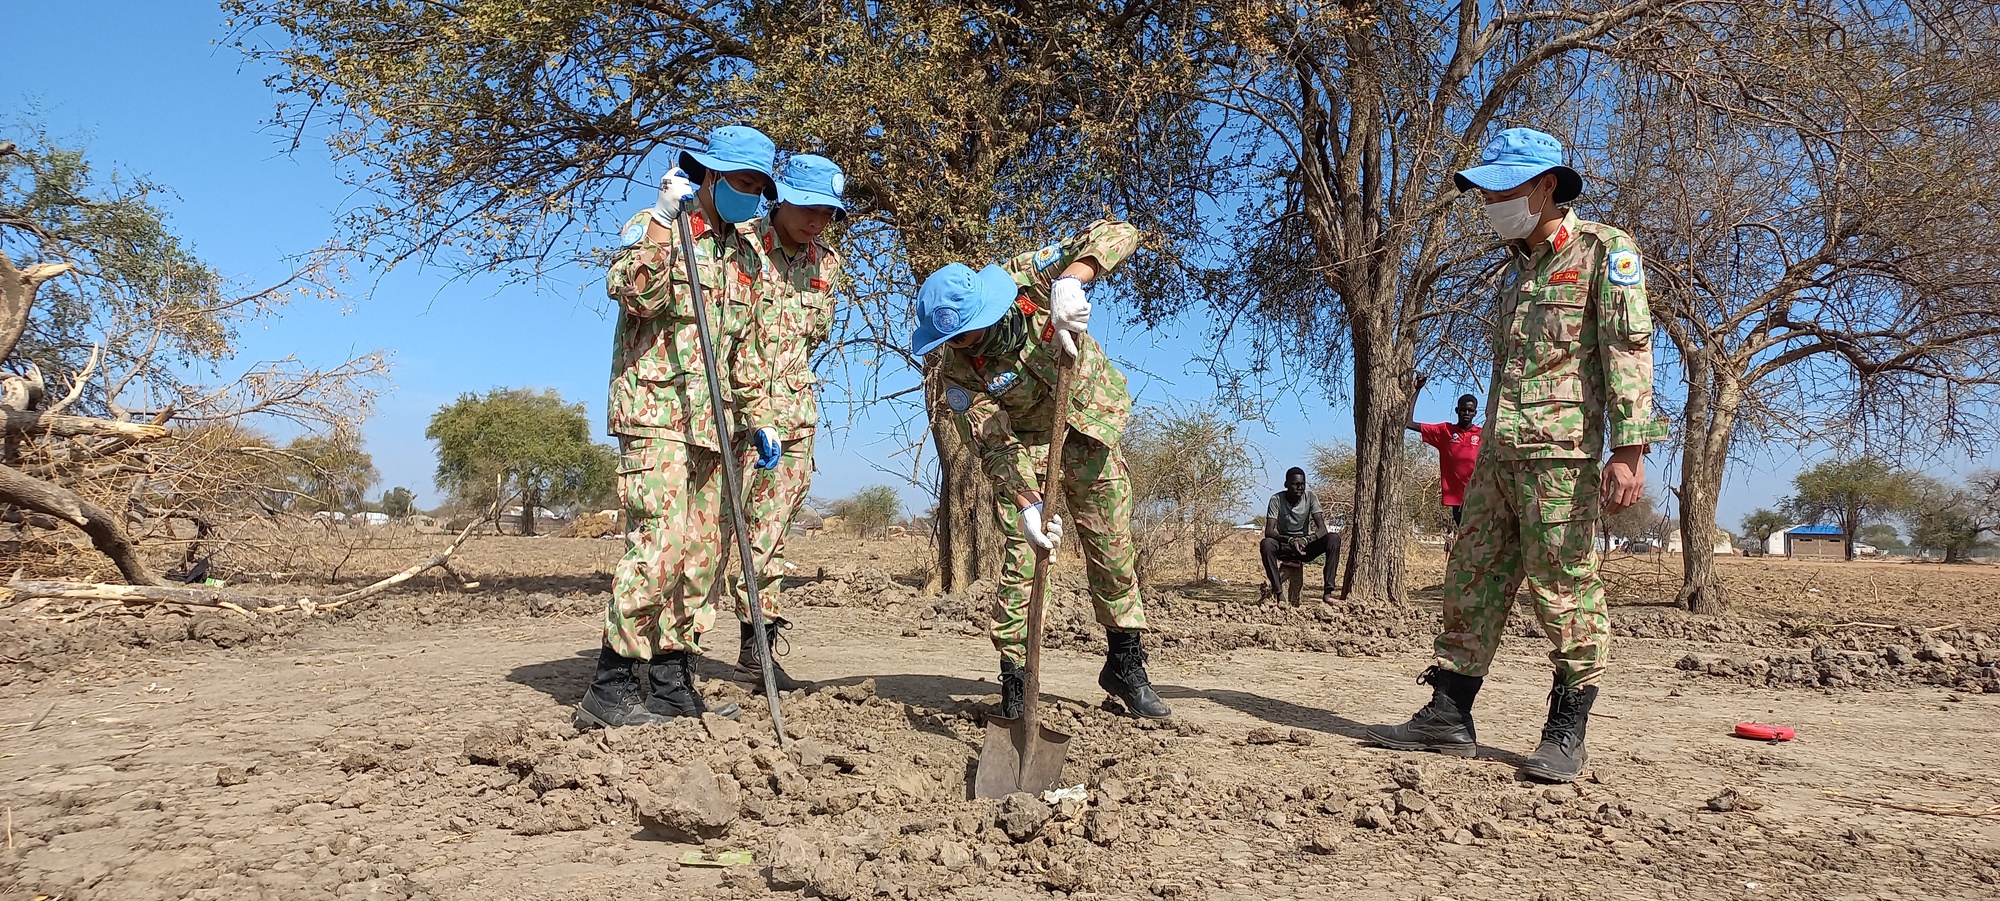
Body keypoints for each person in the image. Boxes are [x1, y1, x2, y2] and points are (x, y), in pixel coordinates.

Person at [1365, 128, 1669, 782]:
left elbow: (1628, 348)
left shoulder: (1603, 252)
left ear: (1547, 186)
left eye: (1504, 188)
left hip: (1560, 459)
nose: (1492, 200)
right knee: (1470, 579)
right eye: (1487, 190)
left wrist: (1630, 448)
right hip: (1497, 461)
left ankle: (1567, 726)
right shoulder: (1513, 274)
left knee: (1564, 588)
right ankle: (1448, 713)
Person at [912, 219, 1170, 720]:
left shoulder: (1027, 277)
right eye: (956, 339)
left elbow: (1121, 231)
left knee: (1113, 552)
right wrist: (1028, 506)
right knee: (1024, 561)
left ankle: (1124, 663)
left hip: (1090, 429)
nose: (966, 344)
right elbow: (992, 444)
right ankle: (1016, 678)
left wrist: (1073, 278)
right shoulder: (960, 373)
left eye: (970, 332)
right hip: (1029, 452)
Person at [576, 125, 787, 729]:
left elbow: (750, 346)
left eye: (758, 187)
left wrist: (763, 417)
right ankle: (612, 683)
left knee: (702, 555)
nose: (750, 195)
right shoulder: (658, 226)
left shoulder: (747, 253)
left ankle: (672, 677)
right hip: (659, 414)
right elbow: (634, 296)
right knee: (659, 547)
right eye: (740, 182)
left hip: (718, 426)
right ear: (709, 177)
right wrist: (667, 225)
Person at [724, 154, 848, 693]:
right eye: (809, 208)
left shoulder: (827, 265)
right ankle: (668, 655)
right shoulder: (741, 243)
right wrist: (753, 413)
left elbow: (809, 339)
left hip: (795, 418)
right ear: (782, 198)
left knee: (770, 537)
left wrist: (780, 409)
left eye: (828, 213)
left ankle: (760, 648)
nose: (817, 221)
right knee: (715, 535)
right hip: (731, 416)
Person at [1258, 467, 1340, 603]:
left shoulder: (1311, 497)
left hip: (1305, 547)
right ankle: (1279, 594)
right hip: (1285, 546)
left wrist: (1306, 540)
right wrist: (1290, 540)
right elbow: (1270, 531)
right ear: (1286, 485)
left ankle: (1328, 593)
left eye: (1302, 484)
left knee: (1333, 538)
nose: (1299, 488)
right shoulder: (1276, 499)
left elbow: (1322, 529)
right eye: (1295, 484)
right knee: (1266, 544)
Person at [1407, 394, 1484, 528]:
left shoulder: (1483, 435)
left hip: (1480, 498)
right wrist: (1418, 389)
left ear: (1475, 413)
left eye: (1470, 410)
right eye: (1463, 409)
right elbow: (1408, 422)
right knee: (1465, 540)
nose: (1466, 413)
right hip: (1458, 501)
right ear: (1457, 410)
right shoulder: (1445, 431)